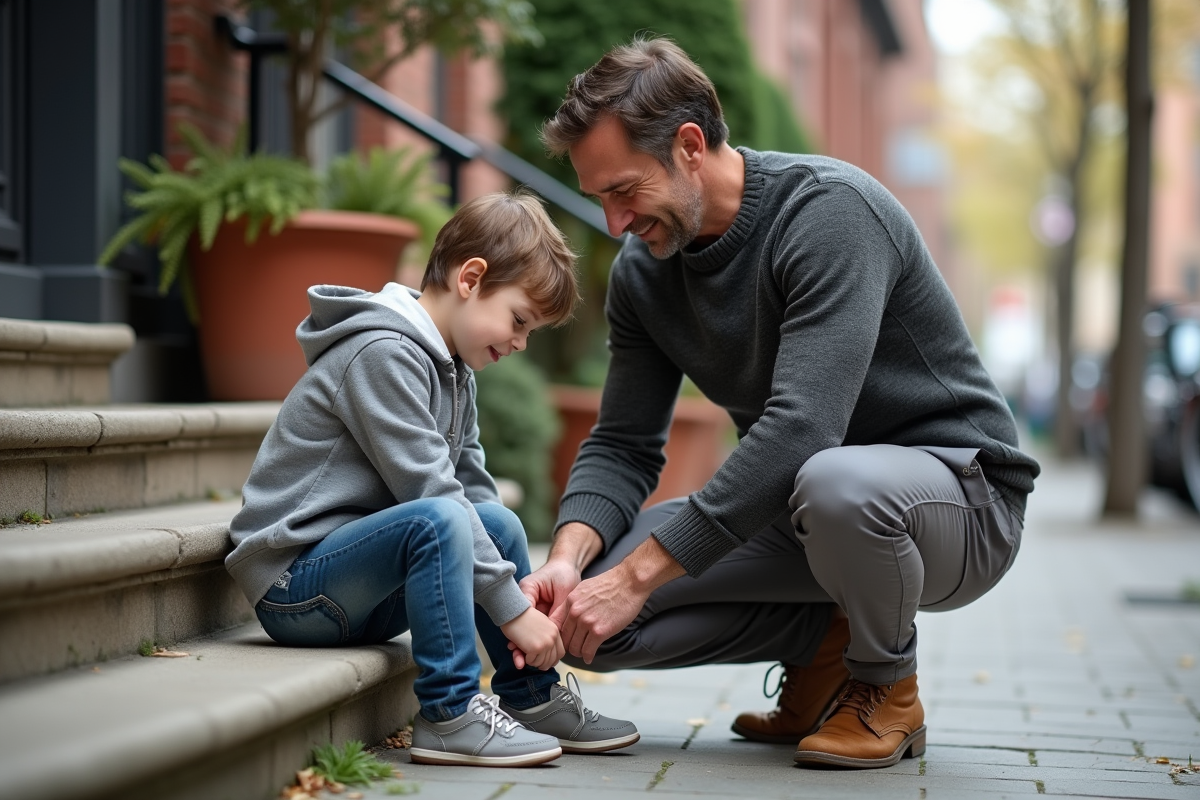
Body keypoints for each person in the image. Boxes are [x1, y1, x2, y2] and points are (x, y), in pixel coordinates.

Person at [520, 38, 1041, 769]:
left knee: (832, 483)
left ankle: (885, 685)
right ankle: (826, 646)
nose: (613, 223)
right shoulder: (646, 273)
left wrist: (638, 578)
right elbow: (622, 443)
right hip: (805, 506)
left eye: (624, 191)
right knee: (596, 623)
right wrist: (573, 562)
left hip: (962, 500)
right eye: (599, 195)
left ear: (690, 145)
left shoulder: (829, 214)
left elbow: (805, 428)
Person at [225, 191, 639, 767]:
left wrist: (510, 590)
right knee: (440, 516)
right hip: (296, 588)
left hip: (364, 586)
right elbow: (432, 492)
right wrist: (513, 613)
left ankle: (531, 697)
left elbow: (471, 486)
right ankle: (448, 714)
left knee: (494, 519)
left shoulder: (453, 371)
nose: (520, 343)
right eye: (519, 321)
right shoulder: (381, 353)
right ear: (470, 278)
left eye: (530, 332)